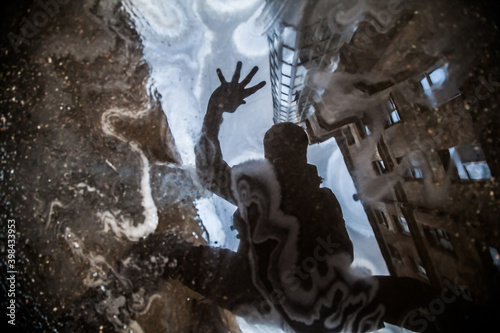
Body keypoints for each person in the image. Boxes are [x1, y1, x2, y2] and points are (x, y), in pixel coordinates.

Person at [122, 62, 491, 332]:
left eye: (283, 147)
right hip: (274, 290)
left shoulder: (285, 190)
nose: (279, 155)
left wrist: (216, 111)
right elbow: (208, 171)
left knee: (167, 254)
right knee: (166, 254)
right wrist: (215, 108)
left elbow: (209, 171)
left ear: (293, 155)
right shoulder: (271, 188)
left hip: (285, 292)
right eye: (276, 148)